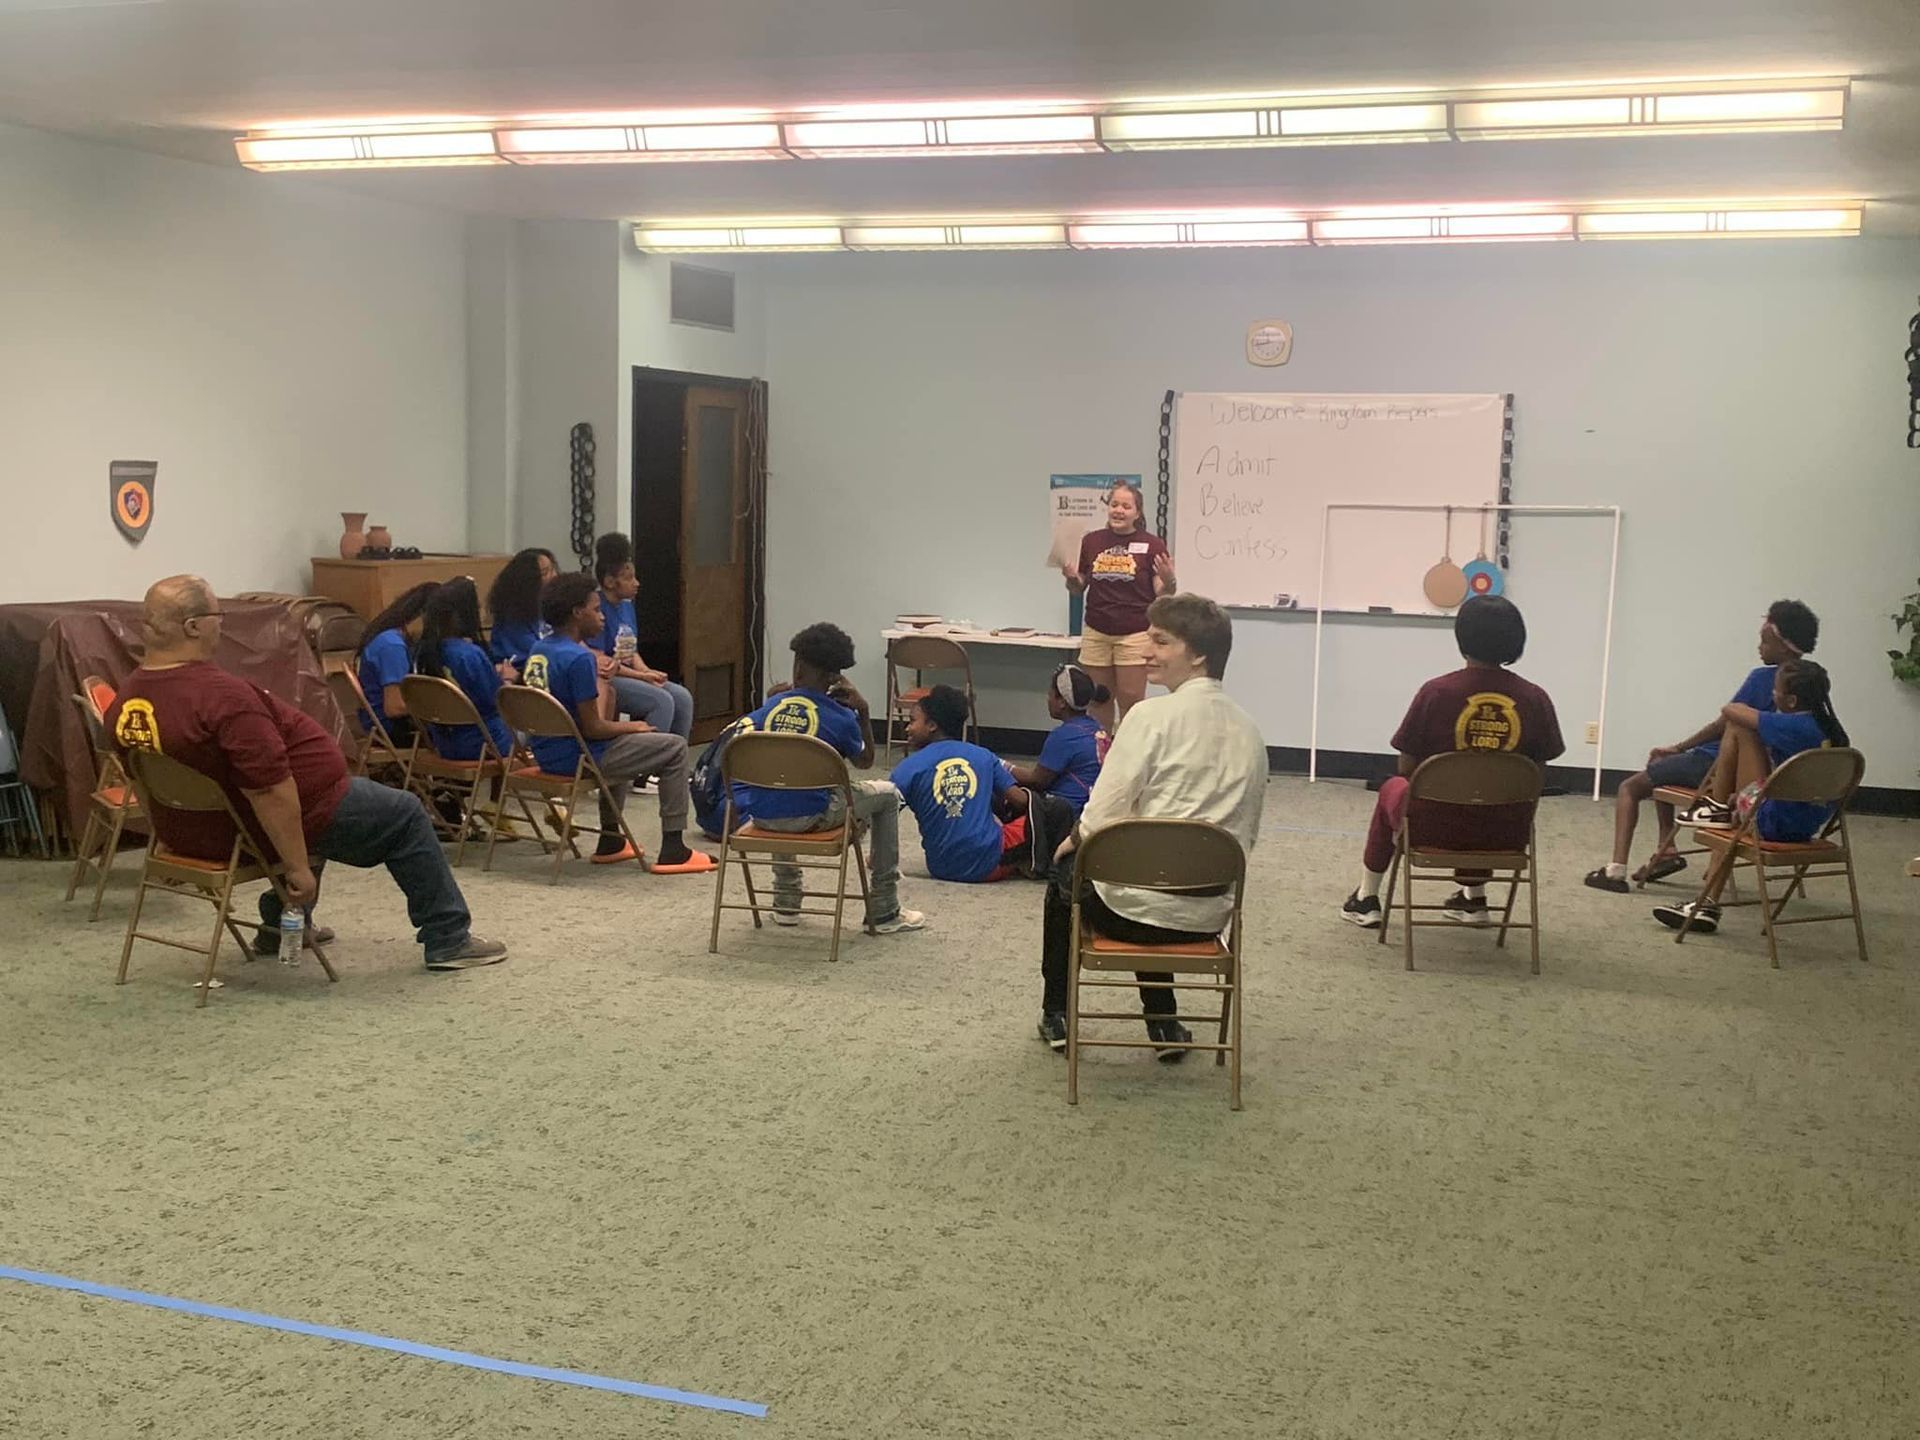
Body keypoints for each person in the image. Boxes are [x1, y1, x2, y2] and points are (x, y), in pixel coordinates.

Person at [106, 576, 506, 969]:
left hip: (194, 829)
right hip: (259, 823)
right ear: (193, 626)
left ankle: (280, 925)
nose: (222, 622)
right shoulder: (220, 698)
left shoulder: (126, 698)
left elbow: (146, 778)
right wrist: (297, 868)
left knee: (334, 804)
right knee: (403, 812)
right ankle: (448, 938)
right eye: (218, 614)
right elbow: (270, 792)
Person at [1036, 594, 1266, 1056]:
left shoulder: (1147, 717)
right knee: (1154, 865)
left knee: (1070, 876)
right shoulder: (1252, 732)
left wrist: (1070, 841)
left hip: (1129, 914)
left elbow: (1101, 814)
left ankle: (1056, 1013)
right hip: (1208, 916)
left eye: (1160, 642)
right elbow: (1247, 832)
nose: (1145, 652)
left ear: (1197, 655)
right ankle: (1163, 1022)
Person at [1339, 595, 1564, 930]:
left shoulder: (1436, 693)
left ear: (1462, 638)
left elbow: (1407, 769)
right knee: (1486, 799)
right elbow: (1539, 775)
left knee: (1392, 787)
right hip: (1504, 833)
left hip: (1431, 826)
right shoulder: (1536, 698)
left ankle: (1366, 898)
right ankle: (1474, 901)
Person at [1584, 599, 1820, 893]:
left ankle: (1616, 869)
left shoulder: (1765, 679)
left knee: (1632, 786)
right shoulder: (1812, 684)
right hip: (1769, 784)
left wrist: (1680, 747)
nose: (1759, 647)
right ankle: (1665, 851)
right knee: (1663, 769)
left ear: (1784, 646)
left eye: (1764, 641)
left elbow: (1724, 721)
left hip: (1719, 769)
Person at [732, 623, 925, 933]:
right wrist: (863, 712)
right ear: (837, 677)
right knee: (889, 794)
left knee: (781, 785)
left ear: (798, 669)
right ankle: (884, 908)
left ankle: (785, 903)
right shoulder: (841, 716)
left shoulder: (768, 708)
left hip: (761, 815)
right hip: (814, 816)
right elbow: (865, 762)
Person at [520, 573, 712, 872]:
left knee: (622, 744)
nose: (602, 618)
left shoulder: (540, 649)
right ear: (576, 613)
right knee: (674, 748)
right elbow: (593, 728)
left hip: (547, 752)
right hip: (578, 757)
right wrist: (633, 726)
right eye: (596, 611)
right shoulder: (579, 659)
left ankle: (611, 841)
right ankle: (674, 848)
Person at [1652, 657, 1849, 935]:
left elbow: (1731, 711)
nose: (1772, 695)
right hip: (1806, 824)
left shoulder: (1791, 726)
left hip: (1773, 824)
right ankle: (1707, 900)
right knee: (1741, 800)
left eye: (1776, 691)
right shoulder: (1830, 730)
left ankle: (1716, 808)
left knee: (1739, 728)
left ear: (1791, 701)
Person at [893, 685, 1074, 884]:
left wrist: (878, 857)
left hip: (940, 866)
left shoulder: (906, 769)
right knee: (1056, 809)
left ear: (932, 725)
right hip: (987, 864)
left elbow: (883, 812)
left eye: (912, 721)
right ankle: (1047, 867)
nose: (907, 728)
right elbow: (1021, 801)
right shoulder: (983, 756)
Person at [1061, 480, 1175, 732]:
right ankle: (1102, 755)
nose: (1119, 510)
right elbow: (1079, 588)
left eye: (1126, 506)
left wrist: (1169, 579)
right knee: (1098, 698)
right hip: (1097, 631)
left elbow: (1163, 595)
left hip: (1134, 633)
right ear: (1108, 508)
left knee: (1131, 700)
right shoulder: (1091, 541)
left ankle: (1129, 756)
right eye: (1114, 504)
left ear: (1137, 512)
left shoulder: (1152, 545)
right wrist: (1071, 578)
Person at [590, 532, 694, 741]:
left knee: (682, 697)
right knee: (661, 701)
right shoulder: (598, 609)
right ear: (610, 582)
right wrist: (642, 677)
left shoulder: (627, 607)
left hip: (631, 672)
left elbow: (630, 650)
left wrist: (647, 671)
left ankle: (675, 758)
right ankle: (648, 760)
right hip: (611, 678)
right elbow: (604, 661)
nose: (636, 583)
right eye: (628, 579)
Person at [414, 577, 512, 762]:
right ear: (464, 614)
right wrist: (507, 681)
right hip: (486, 743)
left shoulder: (423, 651)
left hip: (445, 744)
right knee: (540, 730)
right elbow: (497, 701)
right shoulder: (470, 655)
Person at [1007, 663, 1110, 816]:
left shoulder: (1064, 736)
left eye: (1050, 695)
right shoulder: (1097, 727)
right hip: (1092, 809)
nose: (1048, 699)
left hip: (1066, 814)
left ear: (1062, 702)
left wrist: (1000, 766)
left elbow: (1037, 780)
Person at [354, 581, 438, 746]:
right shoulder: (393, 646)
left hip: (378, 723)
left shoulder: (389, 636)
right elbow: (395, 708)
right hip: (391, 729)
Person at [485, 547, 558, 680]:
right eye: (546, 572)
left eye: (553, 569)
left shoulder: (548, 607)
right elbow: (538, 656)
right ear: (528, 581)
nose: (555, 576)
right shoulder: (513, 619)